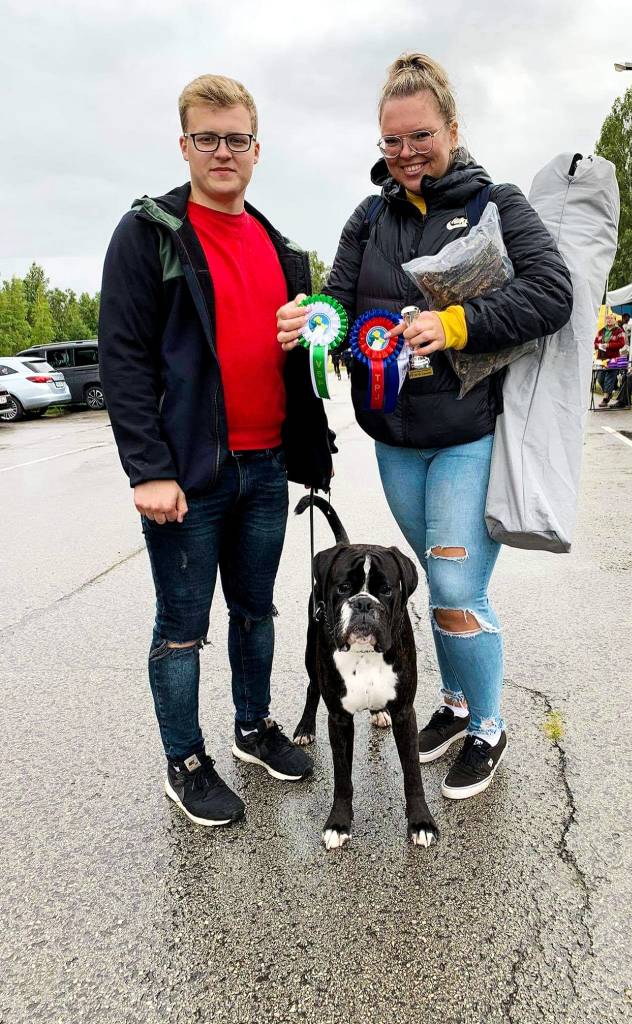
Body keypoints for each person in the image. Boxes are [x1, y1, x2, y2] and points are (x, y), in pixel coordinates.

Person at [277, 53, 572, 800]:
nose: (406, 153)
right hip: (395, 444)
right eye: (392, 141)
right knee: (430, 586)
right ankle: (455, 702)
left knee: (455, 588)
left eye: (421, 136)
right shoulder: (368, 217)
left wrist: (456, 322)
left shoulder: (496, 204)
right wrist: (315, 322)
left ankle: (489, 727)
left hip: (468, 434)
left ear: (452, 129)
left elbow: (552, 292)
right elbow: (340, 301)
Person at [99, 74, 332, 828]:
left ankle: (252, 728)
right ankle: (186, 762)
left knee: (256, 612)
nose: (222, 152)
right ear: (184, 145)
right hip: (189, 476)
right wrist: (149, 470)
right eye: (207, 138)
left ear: (257, 149)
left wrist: (310, 445)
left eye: (236, 139)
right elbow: (123, 358)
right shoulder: (150, 234)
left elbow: (301, 357)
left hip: (266, 468)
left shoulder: (281, 249)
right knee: (181, 629)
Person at [594, 312, 625, 407]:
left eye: (611, 318)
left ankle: (605, 398)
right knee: (600, 378)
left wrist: (608, 345)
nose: (609, 320)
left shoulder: (618, 331)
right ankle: (610, 390)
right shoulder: (601, 331)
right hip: (601, 358)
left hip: (613, 358)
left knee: (609, 378)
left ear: (615, 320)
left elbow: (621, 343)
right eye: (607, 318)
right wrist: (600, 345)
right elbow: (595, 343)